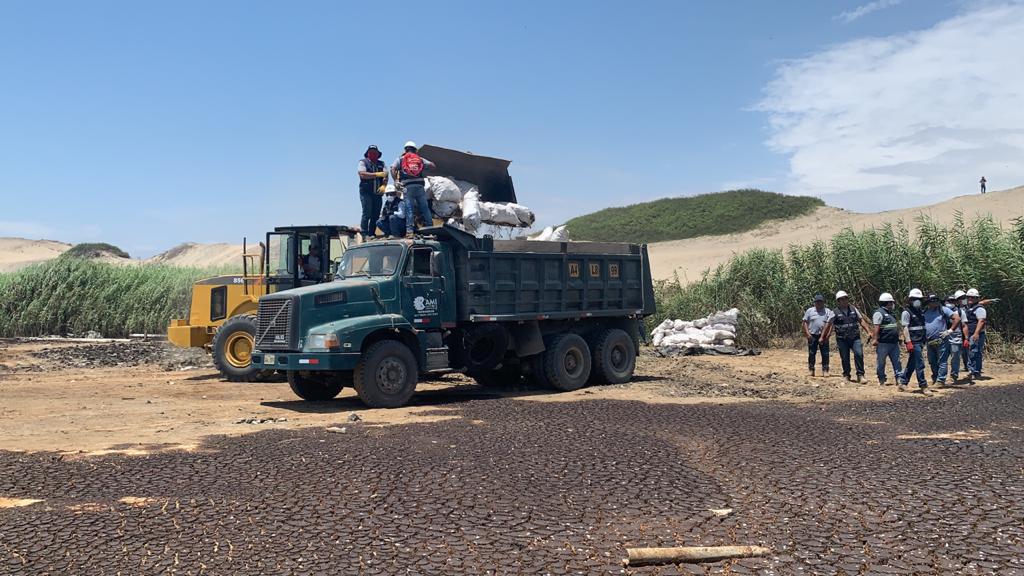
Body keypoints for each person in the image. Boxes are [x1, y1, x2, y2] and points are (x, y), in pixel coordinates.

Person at [391, 141, 436, 238]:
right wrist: (422, 167)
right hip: (419, 186)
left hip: (407, 187)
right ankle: (430, 228)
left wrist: (395, 180)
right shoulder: (419, 159)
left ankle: (410, 232)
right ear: (415, 150)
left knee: (409, 209)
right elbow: (433, 165)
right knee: (424, 208)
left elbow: (393, 168)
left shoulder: (401, 159)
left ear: (405, 149)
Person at [831, 290, 873, 382]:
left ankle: (860, 375)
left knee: (859, 354)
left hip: (855, 337)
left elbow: (861, 320)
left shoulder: (853, 309)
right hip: (842, 339)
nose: (844, 301)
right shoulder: (834, 312)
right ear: (838, 301)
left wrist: (868, 331)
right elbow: (829, 325)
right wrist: (825, 336)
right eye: (841, 299)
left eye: (845, 299)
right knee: (845, 357)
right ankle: (846, 375)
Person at [922, 293, 959, 388]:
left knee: (942, 361)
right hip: (929, 340)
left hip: (941, 339)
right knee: (932, 361)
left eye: (936, 300)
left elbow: (957, 318)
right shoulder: (925, 311)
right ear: (928, 303)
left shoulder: (943, 309)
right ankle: (935, 378)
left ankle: (941, 380)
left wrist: (950, 330)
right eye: (932, 301)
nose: (935, 302)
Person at [899, 288, 931, 395]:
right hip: (913, 341)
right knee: (919, 363)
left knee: (912, 363)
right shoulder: (906, 312)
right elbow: (905, 328)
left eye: (919, 299)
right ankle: (923, 385)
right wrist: (908, 342)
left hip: (920, 340)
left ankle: (903, 382)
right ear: (910, 300)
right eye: (915, 299)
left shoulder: (920, 311)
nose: (918, 301)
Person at [872, 292, 903, 386]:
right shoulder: (879, 313)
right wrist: (875, 339)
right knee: (881, 362)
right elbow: (876, 327)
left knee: (897, 362)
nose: (892, 304)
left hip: (894, 343)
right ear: (886, 303)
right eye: (891, 302)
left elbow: (895, 327)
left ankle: (899, 379)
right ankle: (881, 378)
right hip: (883, 343)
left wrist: (899, 337)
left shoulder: (891, 313)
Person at [358, 145, 388, 238]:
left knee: (376, 214)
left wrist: (384, 185)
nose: (373, 153)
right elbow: (362, 174)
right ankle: (364, 233)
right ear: (367, 153)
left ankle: (371, 233)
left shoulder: (382, 163)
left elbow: (386, 174)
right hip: (366, 192)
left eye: (375, 152)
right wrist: (376, 174)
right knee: (367, 212)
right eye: (371, 152)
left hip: (377, 193)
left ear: (378, 154)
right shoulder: (363, 162)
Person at [802, 294, 834, 377]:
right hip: (812, 335)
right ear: (814, 302)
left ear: (823, 302)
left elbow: (831, 324)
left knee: (825, 354)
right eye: (817, 302)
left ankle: (825, 370)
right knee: (812, 353)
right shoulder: (810, 311)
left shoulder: (828, 311)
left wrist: (828, 335)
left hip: (824, 336)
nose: (819, 303)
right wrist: (808, 334)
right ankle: (811, 370)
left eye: (820, 301)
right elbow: (805, 322)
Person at [964, 287, 987, 381]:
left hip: (976, 334)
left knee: (975, 352)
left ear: (977, 298)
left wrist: (976, 333)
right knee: (971, 352)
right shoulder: (970, 307)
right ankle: (972, 371)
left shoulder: (979, 309)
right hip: (970, 334)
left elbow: (981, 321)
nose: (970, 299)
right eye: (969, 297)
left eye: (972, 297)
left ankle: (975, 372)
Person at [944, 292, 968, 383]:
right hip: (944, 339)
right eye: (949, 301)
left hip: (956, 338)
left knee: (955, 358)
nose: (951, 302)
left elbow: (964, 325)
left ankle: (954, 375)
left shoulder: (960, 312)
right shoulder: (941, 312)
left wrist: (966, 338)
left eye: (952, 301)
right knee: (942, 359)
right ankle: (940, 376)